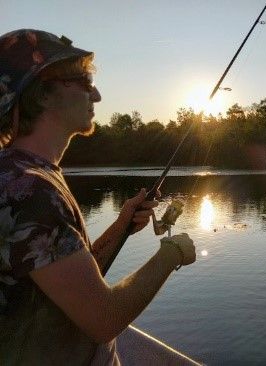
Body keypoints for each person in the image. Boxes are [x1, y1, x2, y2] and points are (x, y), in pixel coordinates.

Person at [0, 29, 196, 365]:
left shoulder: (22, 175)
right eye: (85, 81)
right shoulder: (30, 191)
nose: (98, 95)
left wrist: (121, 226)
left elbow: (71, 281)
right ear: (43, 92)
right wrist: (171, 254)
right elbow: (103, 319)